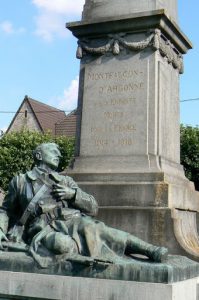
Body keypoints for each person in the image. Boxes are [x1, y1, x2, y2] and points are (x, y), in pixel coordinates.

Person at [0, 143, 168, 265]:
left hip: (73, 221)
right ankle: (88, 259)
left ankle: (150, 250)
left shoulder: (66, 180)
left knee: (105, 232)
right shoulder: (21, 181)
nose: (58, 153)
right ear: (38, 155)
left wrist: (73, 195)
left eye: (58, 151)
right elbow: (6, 210)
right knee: (61, 244)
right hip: (42, 229)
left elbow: (93, 207)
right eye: (52, 150)